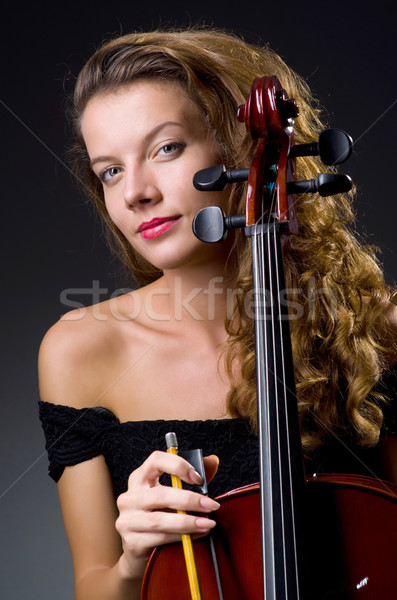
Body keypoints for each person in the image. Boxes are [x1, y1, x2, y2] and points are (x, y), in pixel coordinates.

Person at [38, 26, 397, 599]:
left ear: (236, 147)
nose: (135, 192)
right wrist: (133, 560)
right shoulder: (81, 350)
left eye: (165, 148)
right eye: (110, 170)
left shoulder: (377, 329)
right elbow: (94, 587)